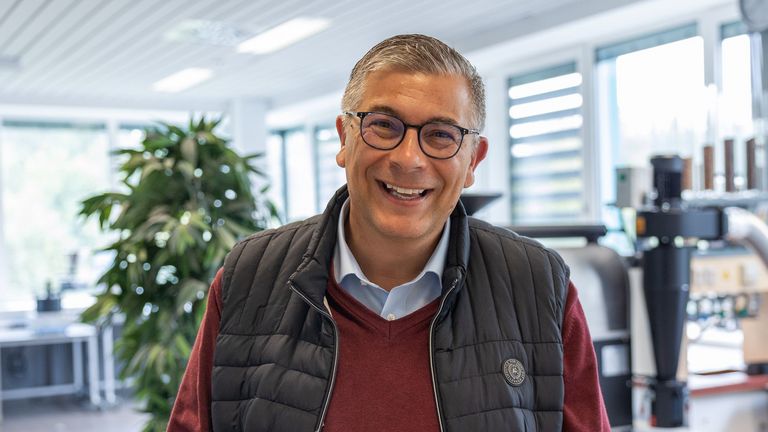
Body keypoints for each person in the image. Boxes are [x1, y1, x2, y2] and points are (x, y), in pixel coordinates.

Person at [168, 34, 610, 432]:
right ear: (345, 137)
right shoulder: (249, 278)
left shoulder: (537, 286)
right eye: (384, 125)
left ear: (473, 161)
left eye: (441, 135)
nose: (409, 158)